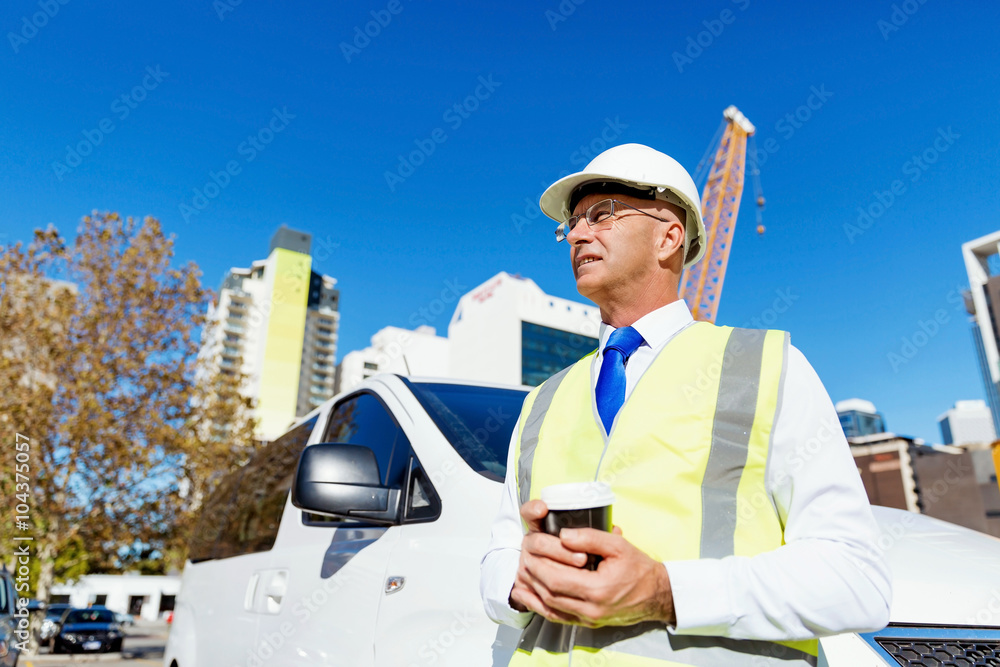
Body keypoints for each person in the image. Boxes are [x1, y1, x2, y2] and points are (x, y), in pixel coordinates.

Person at [480, 143, 892, 666]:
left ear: (669, 237)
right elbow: (497, 557)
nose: (578, 234)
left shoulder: (765, 367)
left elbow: (856, 579)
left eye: (602, 214)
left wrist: (664, 590)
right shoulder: (542, 402)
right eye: (572, 224)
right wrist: (519, 582)